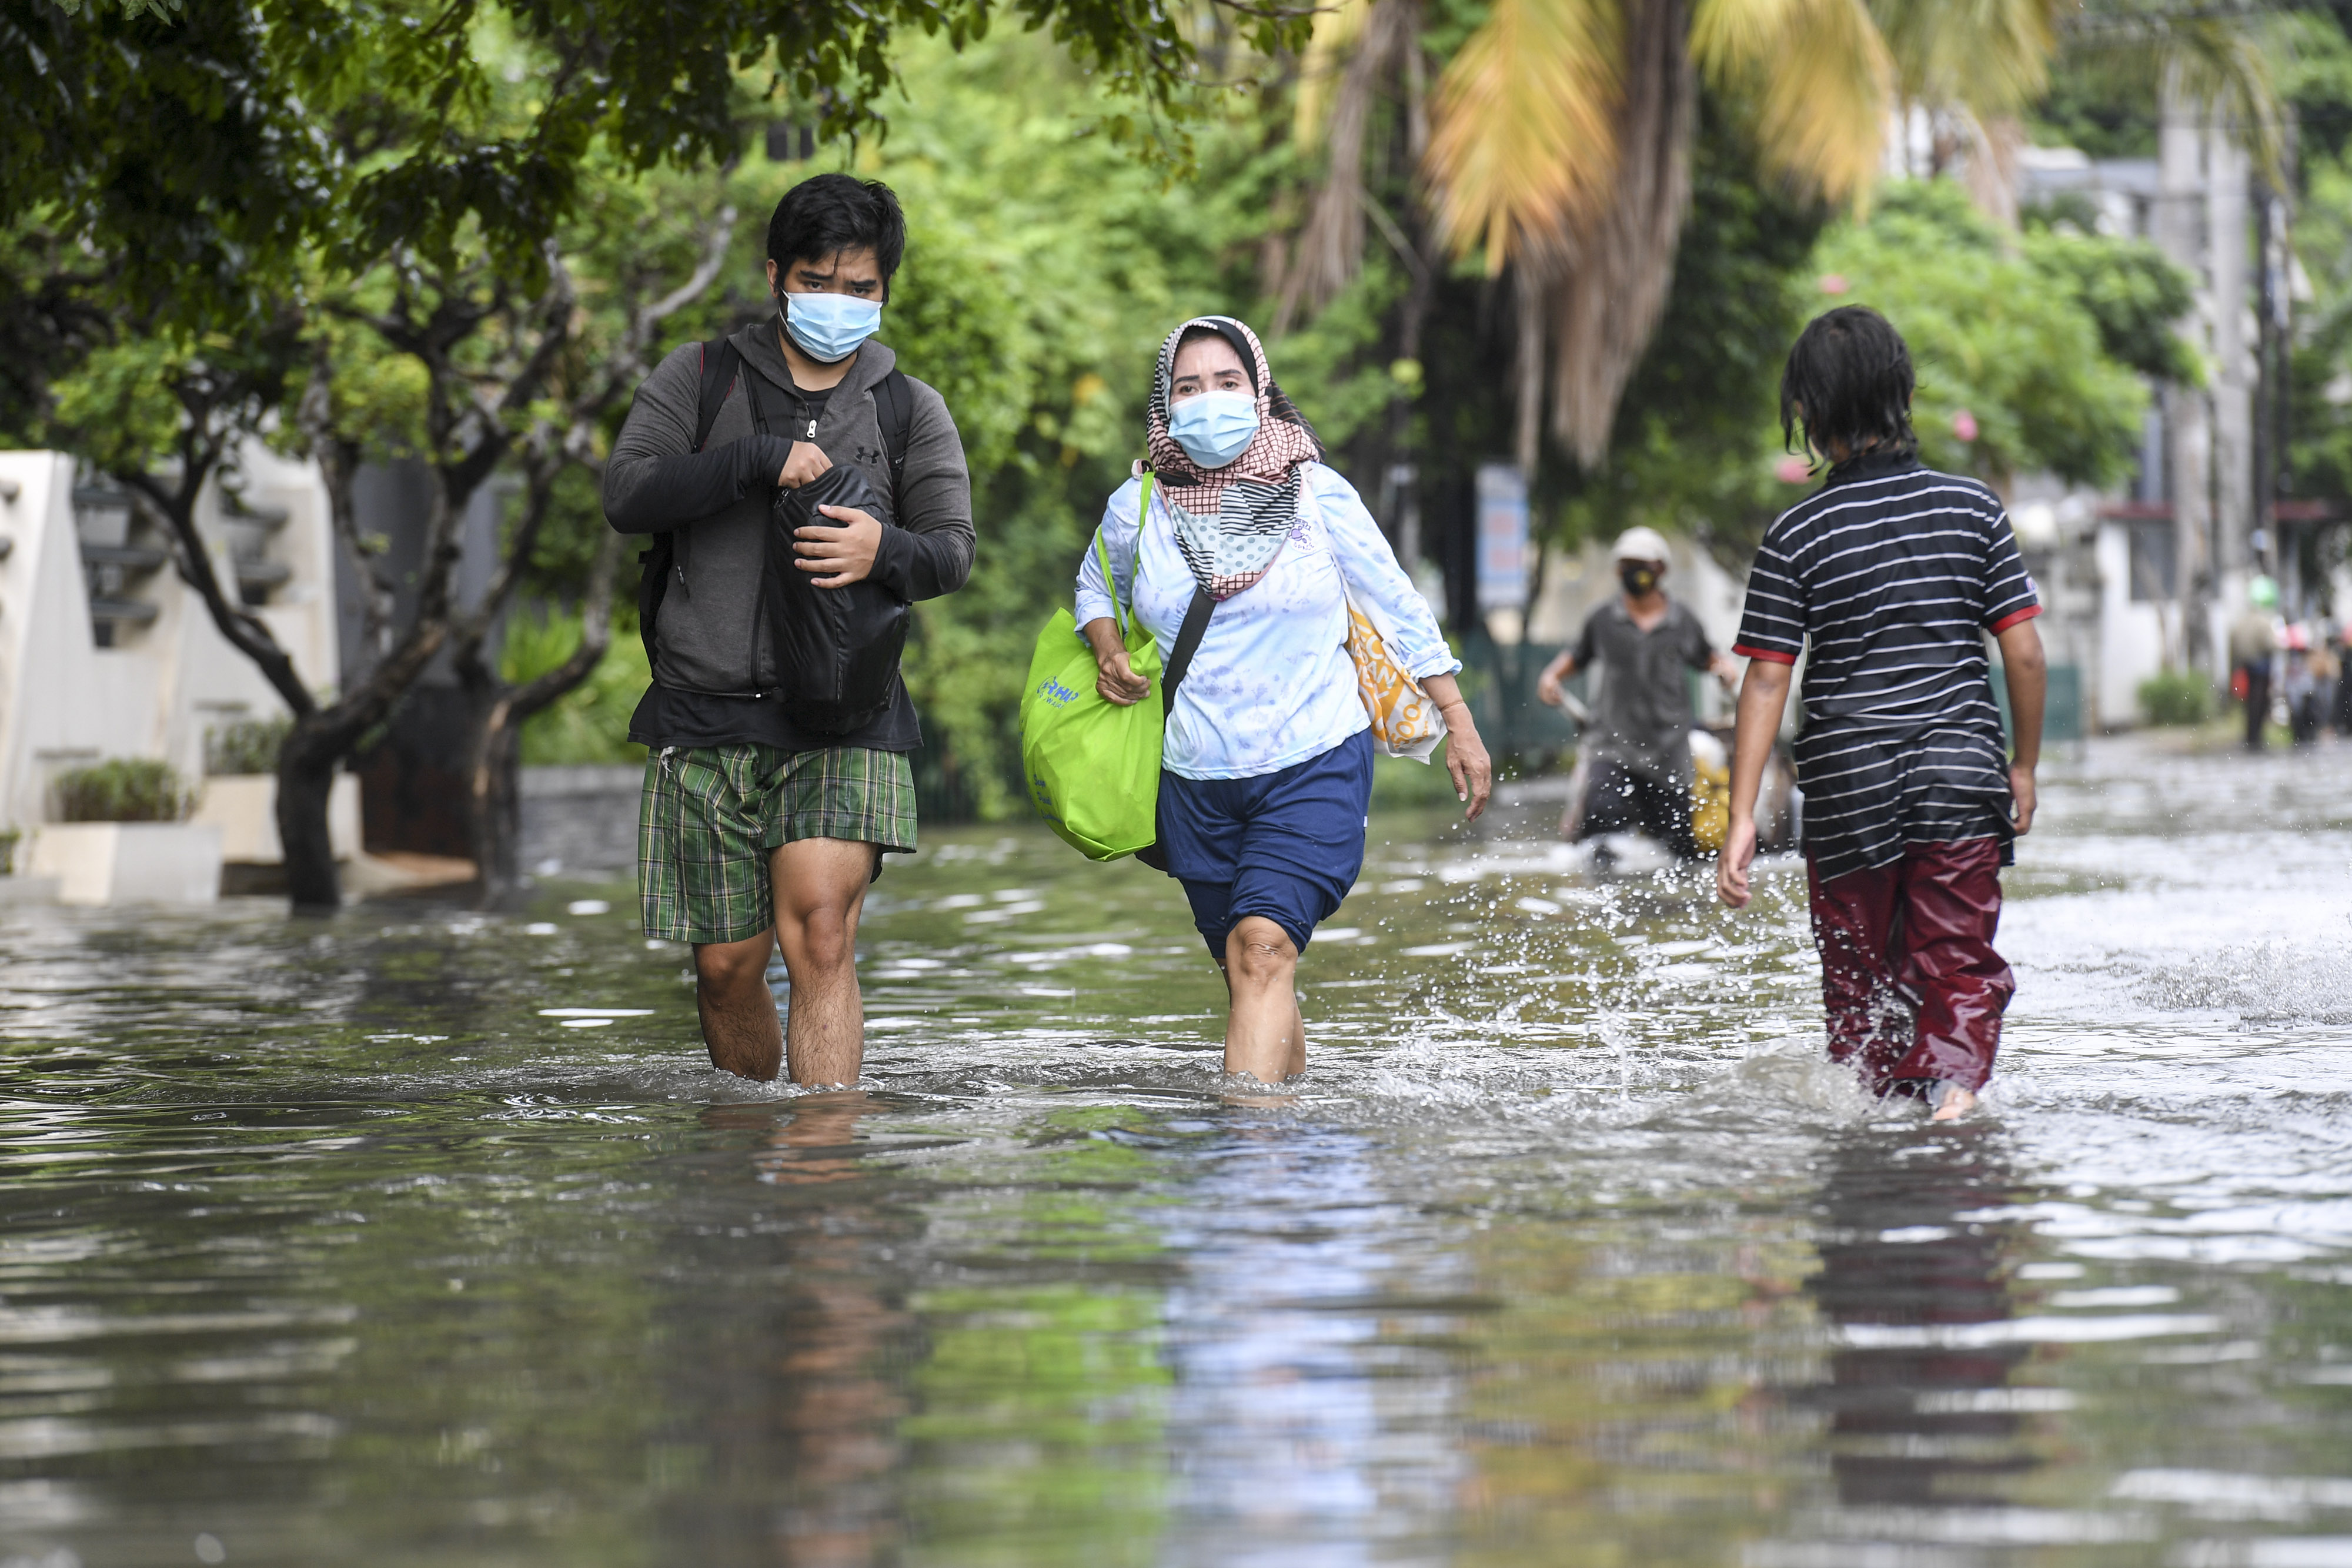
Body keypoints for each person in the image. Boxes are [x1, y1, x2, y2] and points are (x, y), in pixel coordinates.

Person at [603, 174, 974, 1086]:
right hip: (703, 715)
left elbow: (953, 552)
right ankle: (745, 1161)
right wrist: (756, 461)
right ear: (776, 274)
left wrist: (883, 547)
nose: (838, 304)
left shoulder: (908, 407)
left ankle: (822, 1164)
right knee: (726, 968)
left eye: (861, 289)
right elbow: (628, 495)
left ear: (885, 291)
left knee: (820, 929)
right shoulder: (696, 377)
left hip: (847, 719)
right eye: (818, 281)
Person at [1075, 316, 1493, 1086]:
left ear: (1261, 392)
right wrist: (1106, 648)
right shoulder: (1138, 507)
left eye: (1228, 382)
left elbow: (1396, 604)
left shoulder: (1316, 494)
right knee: (1251, 966)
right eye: (1189, 387)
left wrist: (1458, 718)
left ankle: (1250, 1165)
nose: (1210, 400)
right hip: (1193, 778)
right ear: (1165, 405)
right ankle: (1292, 1144)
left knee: (1262, 946)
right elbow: (1095, 586)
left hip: (1315, 759)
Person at [1716, 306, 2046, 1124]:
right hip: (1958, 775)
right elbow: (2025, 652)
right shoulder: (1975, 510)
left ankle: (1881, 1119)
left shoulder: (1797, 534)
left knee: (1859, 977)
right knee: (1955, 955)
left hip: (1846, 785)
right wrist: (2025, 764)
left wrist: (1741, 814)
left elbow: (1765, 680)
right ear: (1903, 393)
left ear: (1811, 415)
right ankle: (1958, 1091)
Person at [1535, 525, 1739, 859]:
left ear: (1661, 569)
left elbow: (1709, 657)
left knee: (1675, 851)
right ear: (1618, 570)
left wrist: (1725, 670)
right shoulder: (1603, 619)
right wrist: (1551, 678)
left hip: (1669, 751)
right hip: (1612, 748)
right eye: (1627, 564)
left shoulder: (1682, 620)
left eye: (1643, 564)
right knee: (1600, 839)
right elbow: (1575, 657)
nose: (1635, 572)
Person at [2229, 577, 2280, 751]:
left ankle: (2250, 735)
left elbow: (2234, 643)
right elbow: (2270, 644)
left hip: (2246, 666)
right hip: (2262, 667)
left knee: (2250, 703)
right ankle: (2256, 736)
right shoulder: (2264, 622)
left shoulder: (2241, 622)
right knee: (2260, 702)